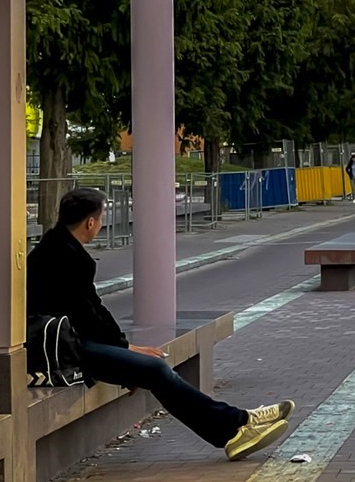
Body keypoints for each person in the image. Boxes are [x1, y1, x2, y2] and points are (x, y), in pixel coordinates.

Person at [27, 188, 294, 461]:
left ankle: (240, 422)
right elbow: (88, 315)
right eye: (102, 216)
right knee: (154, 367)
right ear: (91, 222)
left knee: (149, 367)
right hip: (65, 349)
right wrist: (126, 351)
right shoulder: (67, 257)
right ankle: (235, 429)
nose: (103, 222)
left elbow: (92, 312)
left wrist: (125, 354)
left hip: (70, 341)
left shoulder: (55, 248)